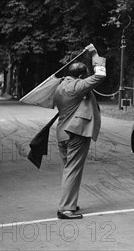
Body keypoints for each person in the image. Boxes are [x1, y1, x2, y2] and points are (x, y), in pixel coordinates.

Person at [54, 44, 106, 219]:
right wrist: (94, 54)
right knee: (73, 169)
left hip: (62, 132)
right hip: (75, 132)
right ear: (82, 76)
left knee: (68, 169)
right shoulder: (77, 86)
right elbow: (100, 75)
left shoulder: (60, 86)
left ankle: (69, 203)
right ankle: (66, 209)